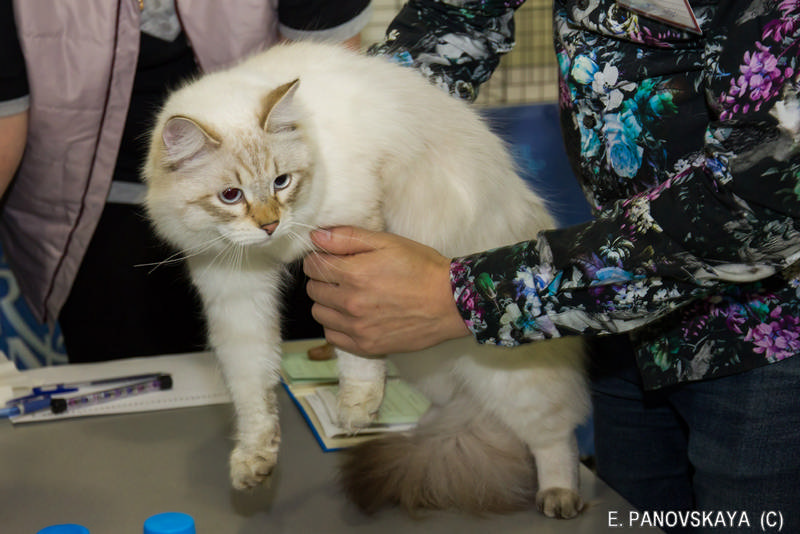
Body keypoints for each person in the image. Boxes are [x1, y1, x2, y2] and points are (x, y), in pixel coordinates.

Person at [305, 1, 800, 532]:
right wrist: (353, 130)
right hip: (618, 318)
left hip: (764, 339)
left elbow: (755, 205)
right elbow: (455, 17)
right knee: (629, 516)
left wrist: (466, 298)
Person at [0, 0, 371, 362]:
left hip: (268, 180)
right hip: (85, 209)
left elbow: (328, 77)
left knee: (293, 356)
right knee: (123, 360)